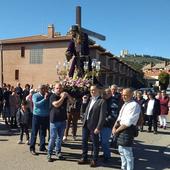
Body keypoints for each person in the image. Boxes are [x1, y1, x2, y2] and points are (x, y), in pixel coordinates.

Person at [78, 85, 107, 167]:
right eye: (91, 90)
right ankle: (84, 157)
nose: (92, 92)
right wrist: (84, 102)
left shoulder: (102, 101)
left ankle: (94, 159)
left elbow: (102, 116)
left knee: (95, 143)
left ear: (98, 91)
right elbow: (84, 111)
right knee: (84, 141)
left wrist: (98, 127)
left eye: (94, 90)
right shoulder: (90, 100)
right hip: (86, 124)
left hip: (94, 125)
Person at [112, 88, 141, 170]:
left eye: (126, 95)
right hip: (120, 129)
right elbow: (119, 118)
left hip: (127, 130)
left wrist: (117, 130)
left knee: (127, 153)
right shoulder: (125, 104)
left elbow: (128, 122)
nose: (123, 96)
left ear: (131, 95)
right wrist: (114, 127)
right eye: (122, 95)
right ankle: (123, 167)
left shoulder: (134, 105)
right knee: (121, 151)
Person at [47, 83, 73, 162]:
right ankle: (49, 153)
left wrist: (67, 95)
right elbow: (56, 105)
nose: (59, 90)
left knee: (60, 138)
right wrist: (62, 97)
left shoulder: (64, 96)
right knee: (53, 138)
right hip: (54, 121)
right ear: (54, 89)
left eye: (60, 88)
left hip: (62, 120)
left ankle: (58, 152)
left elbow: (72, 102)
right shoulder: (52, 96)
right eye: (57, 88)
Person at [29, 84, 49, 155]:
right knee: (34, 132)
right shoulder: (35, 95)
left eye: (44, 88)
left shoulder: (47, 95)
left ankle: (42, 147)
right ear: (38, 89)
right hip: (37, 116)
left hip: (45, 116)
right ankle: (32, 148)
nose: (43, 90)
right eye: (41, 89)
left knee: (43, 132)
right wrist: (44, 99)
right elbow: (36, 104)